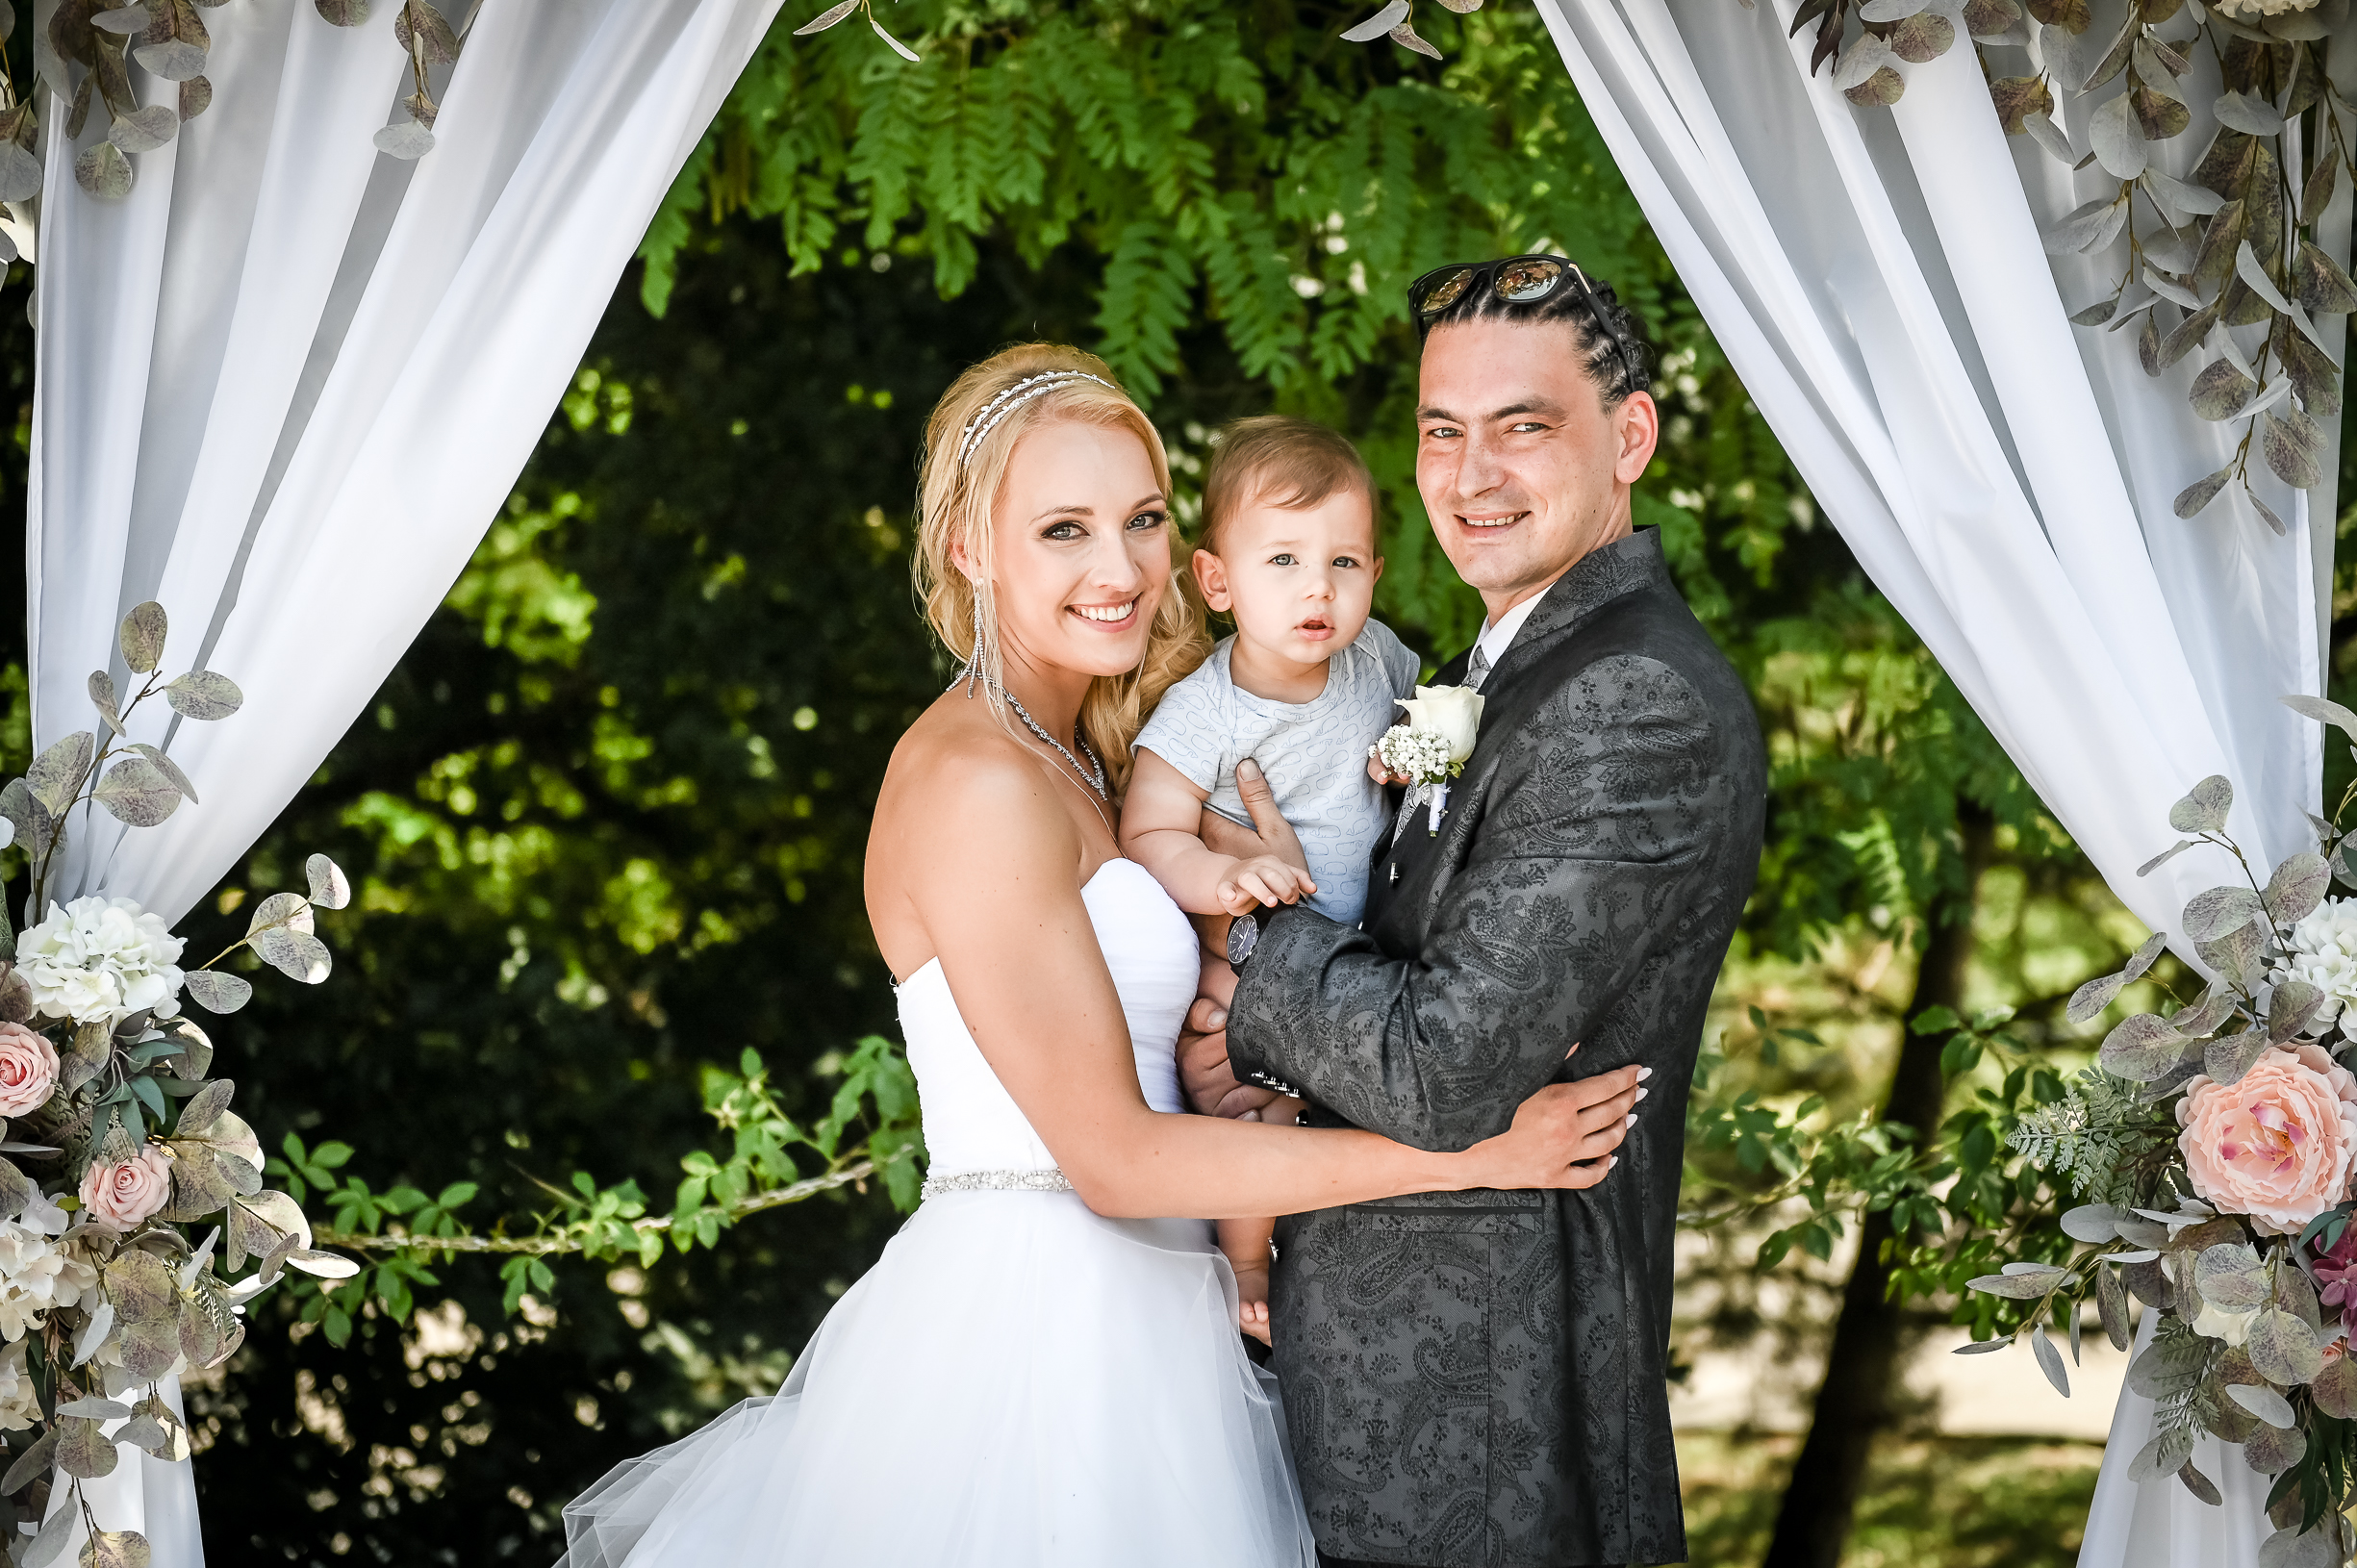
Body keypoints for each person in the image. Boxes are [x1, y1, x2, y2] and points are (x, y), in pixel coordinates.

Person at [552, 341, 1644, 1568]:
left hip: (1156, 1319)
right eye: (1062, 531)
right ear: (969, 550)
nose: (1119, 570)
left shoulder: (1092, 756)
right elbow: (1115, 1160)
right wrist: (1467, 1152)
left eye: (1140, 519)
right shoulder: (973, 781)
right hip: (1040, 1350)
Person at [1182, 257, 1769, 1568]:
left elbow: (1444, 1067)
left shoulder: (1630, 699)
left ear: (1629, 437)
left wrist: (1250, 943)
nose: (1470, 472)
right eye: (1441, 430)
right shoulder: (1485, 672)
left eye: (1522, 425)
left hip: (1487, 1432)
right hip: (1387, 1412)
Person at [1121, 414, 1425, 1343]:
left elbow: (1413, 725)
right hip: (1248, 973)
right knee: (1259, 1117)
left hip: (1356, 966)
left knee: (1331, 1118)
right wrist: (1224, 876)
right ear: (1218, 581)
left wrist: (1404, 755)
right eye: (1283, 560)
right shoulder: (1204, 713)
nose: (1317, 588)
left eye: (1343, 562)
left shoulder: (1377, 660)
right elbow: (1148, 832)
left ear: (1375, 574)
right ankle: (1247, 1262)